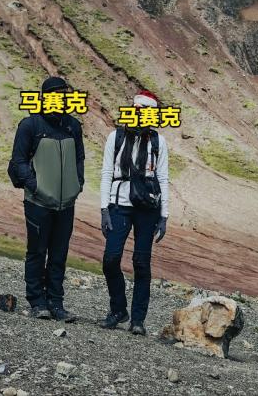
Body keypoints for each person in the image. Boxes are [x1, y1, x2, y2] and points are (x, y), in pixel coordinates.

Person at [8, 75, 84, 322]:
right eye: (57, 93)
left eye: (65, 94)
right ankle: (37, 302)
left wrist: (77, 185)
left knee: (59, 254)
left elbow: (79, 159)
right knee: (37, 251)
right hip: (38, 203)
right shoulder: (30, 125)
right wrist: (35, 186)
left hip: (66, 204)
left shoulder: (73, 125)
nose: (62, 98)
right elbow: (18, 161)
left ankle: (56, 303)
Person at [98, 89, 170, 335]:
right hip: (119, 205)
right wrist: (104, 208)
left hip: (147, 208)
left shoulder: (158, 142)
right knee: (110, 259)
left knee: (141, 263)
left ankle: (138, 319)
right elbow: (107, 173)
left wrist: (164, 215)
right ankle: (118, 309)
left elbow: (163, 178)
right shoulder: (115, 137)